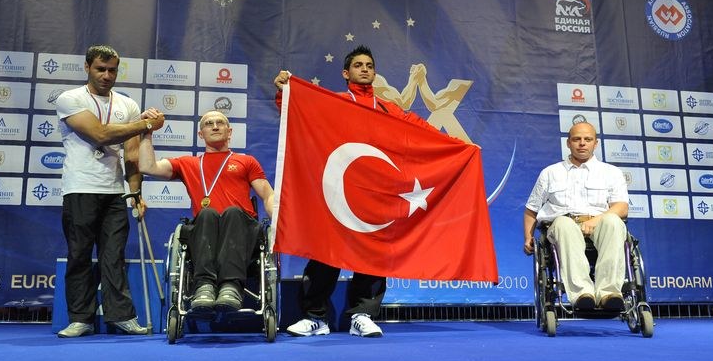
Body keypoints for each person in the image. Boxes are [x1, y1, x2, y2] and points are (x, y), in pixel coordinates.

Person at [273, 44, 465, 337]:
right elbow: (298, 113)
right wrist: (284, 92)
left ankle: (361, 315)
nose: (365, 69)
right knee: (327, 249)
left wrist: (463, 147)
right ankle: (316, 317)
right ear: (345, 73)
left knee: (375, 252)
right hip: (337, 191)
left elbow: (422, 130)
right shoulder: (335, 102)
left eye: (370, 66)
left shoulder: (388, 109)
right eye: (359, 65)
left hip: (375, 193)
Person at [55, 44, 164, 338]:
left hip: (115, 192)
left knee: (113, 256)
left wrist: (136, 193)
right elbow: (100, 134)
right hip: (79, 188)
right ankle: (81, 319)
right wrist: (144, 123)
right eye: (100, 69)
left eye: (112, 70)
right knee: (78, 254)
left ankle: (122, 316)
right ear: (87, 67)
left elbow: (130, 154)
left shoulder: (126, 104)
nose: (106, 75)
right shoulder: (70, 99)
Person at [138, 110, 274, 312]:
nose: (215, 126)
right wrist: (146, 132)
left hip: (241, 230)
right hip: (205, 231)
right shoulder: (187, 163)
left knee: (232, 212)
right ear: (201, 134)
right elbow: (148, 167)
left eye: (220, 123)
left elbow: (268, 195)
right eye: (209, 123)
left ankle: (231, 286)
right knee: (208, 213)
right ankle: (204, 286)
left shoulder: (246, 161)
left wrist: (279, 222)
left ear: (230, 132)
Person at [523, 122, 629, 311]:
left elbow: (621, 207)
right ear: (568, 143)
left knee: (614, 221)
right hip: (562, 225)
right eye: (577, 139)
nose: (582, 143)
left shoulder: (611, 172)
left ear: (595, 143)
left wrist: (597, 220)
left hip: (600, 223)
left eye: (587, 139)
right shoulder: (550, 173)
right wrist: (528, 237)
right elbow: (531, 210)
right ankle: (582, 293)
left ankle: (609, 293)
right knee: (564, 223)